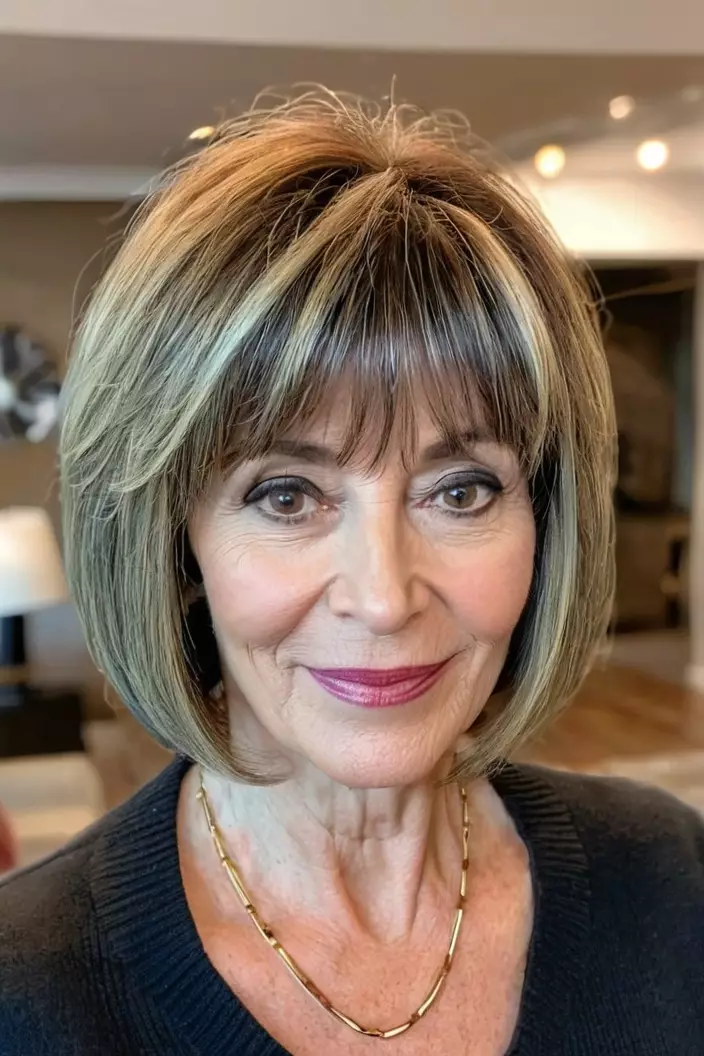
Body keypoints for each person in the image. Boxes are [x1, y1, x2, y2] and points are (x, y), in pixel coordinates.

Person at [1, 90, 702, 1056]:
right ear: (179, 541)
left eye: (459, 491)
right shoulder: (25, 993)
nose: (383, 597)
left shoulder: (674, 883)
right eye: (287, 496)